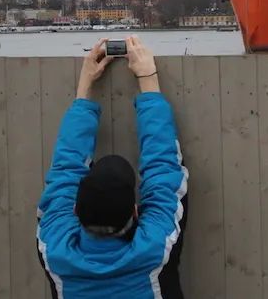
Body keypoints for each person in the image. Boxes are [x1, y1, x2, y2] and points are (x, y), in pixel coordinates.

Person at [37, 36, 189, 299]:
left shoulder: (55, 251)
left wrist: (85, 86)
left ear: (75, 209)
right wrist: (148, 80)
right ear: (135, 211)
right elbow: (163, 170)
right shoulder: (154, 251)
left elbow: (64, 172)